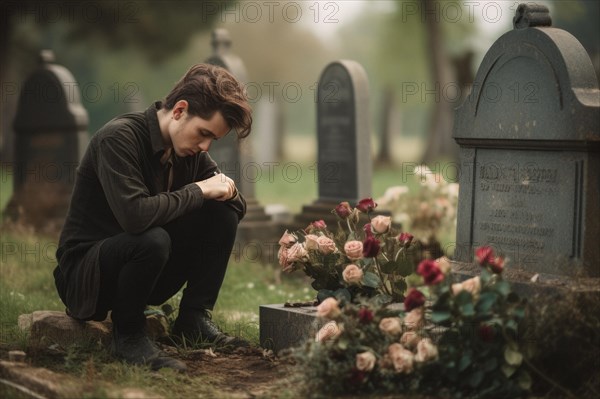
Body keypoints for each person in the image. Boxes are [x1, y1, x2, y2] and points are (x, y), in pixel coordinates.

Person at [53, 64, 253, 372]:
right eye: (203, 133)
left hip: (146, 270)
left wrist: (221, 191)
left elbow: (236, 204)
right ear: (179, 111)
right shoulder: (117, 139)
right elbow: (135, 217)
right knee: (152, 237)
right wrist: (200, 190)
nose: (205, 147)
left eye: (213, 139)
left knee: (222, 212)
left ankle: (193, 318)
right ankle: (129, 335)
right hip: (86, 277)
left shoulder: (190, 151)